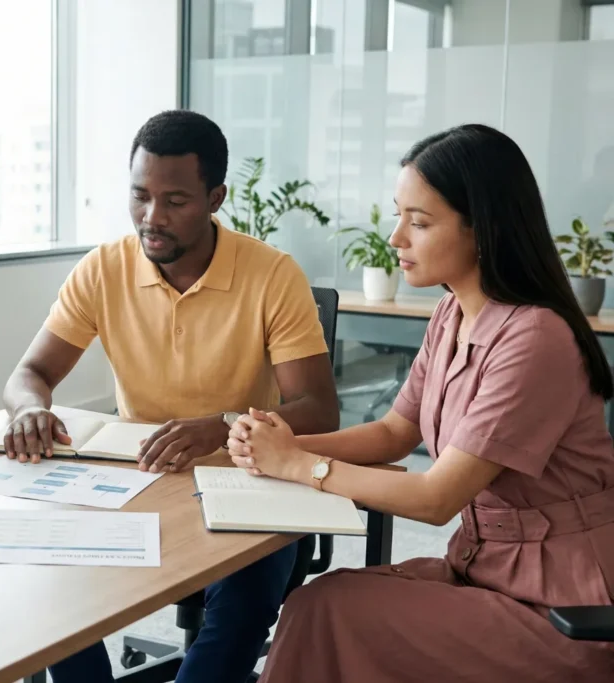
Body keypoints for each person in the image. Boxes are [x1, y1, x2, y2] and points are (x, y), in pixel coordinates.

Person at [228, 124, 614, 682]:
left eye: (420, 222)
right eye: (398, 214)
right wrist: (276, 446)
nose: (395, 238)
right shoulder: (451, 314)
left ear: (482, 228)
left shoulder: (536, 338)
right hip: (487, 569)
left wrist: (295, 464)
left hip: (561, 605)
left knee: (329, 614)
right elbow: (393, 432)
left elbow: (435, 498)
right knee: (318, 605)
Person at [2, 110, 339, 682]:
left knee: (244, 600)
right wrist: (32, 406)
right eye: (140, 196)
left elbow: (318, 411)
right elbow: (30, 372)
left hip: (247, 481)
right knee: (42, 572)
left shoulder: (272, 275)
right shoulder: (104, 268)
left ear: (215, 198)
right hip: (136, 478)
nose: (151, 218)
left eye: (175, 201)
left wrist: (223, 426)